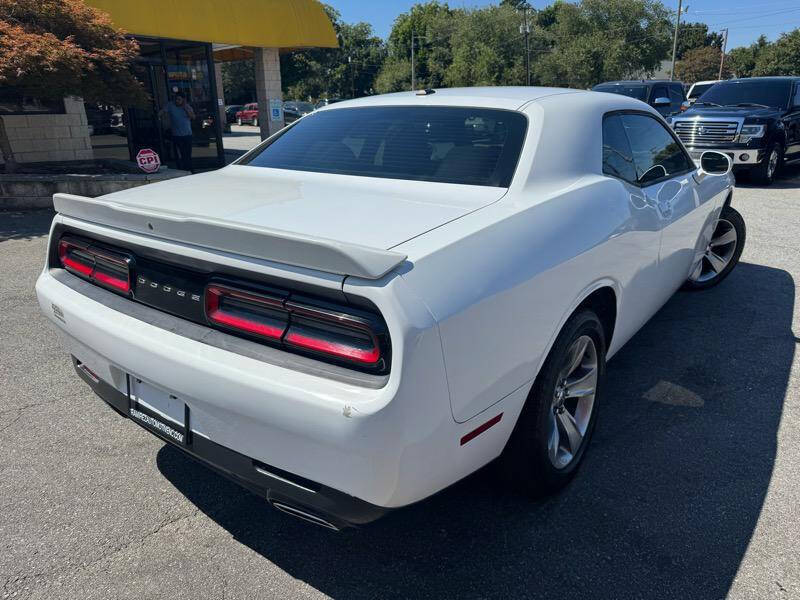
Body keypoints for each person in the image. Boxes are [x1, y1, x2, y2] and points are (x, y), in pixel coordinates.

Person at [160, 92, 195, 172]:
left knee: (187, 154)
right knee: (180, 154)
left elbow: (193, 117)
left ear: (183, 100)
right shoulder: (170, 105)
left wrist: (185, 108)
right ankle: (181, 169)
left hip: (187, 135)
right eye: (176, 99)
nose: (177, 101)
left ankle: (189, 169)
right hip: (177, 135)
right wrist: (158, 116)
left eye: (179, 99)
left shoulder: (187, 107)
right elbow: (162, 111)